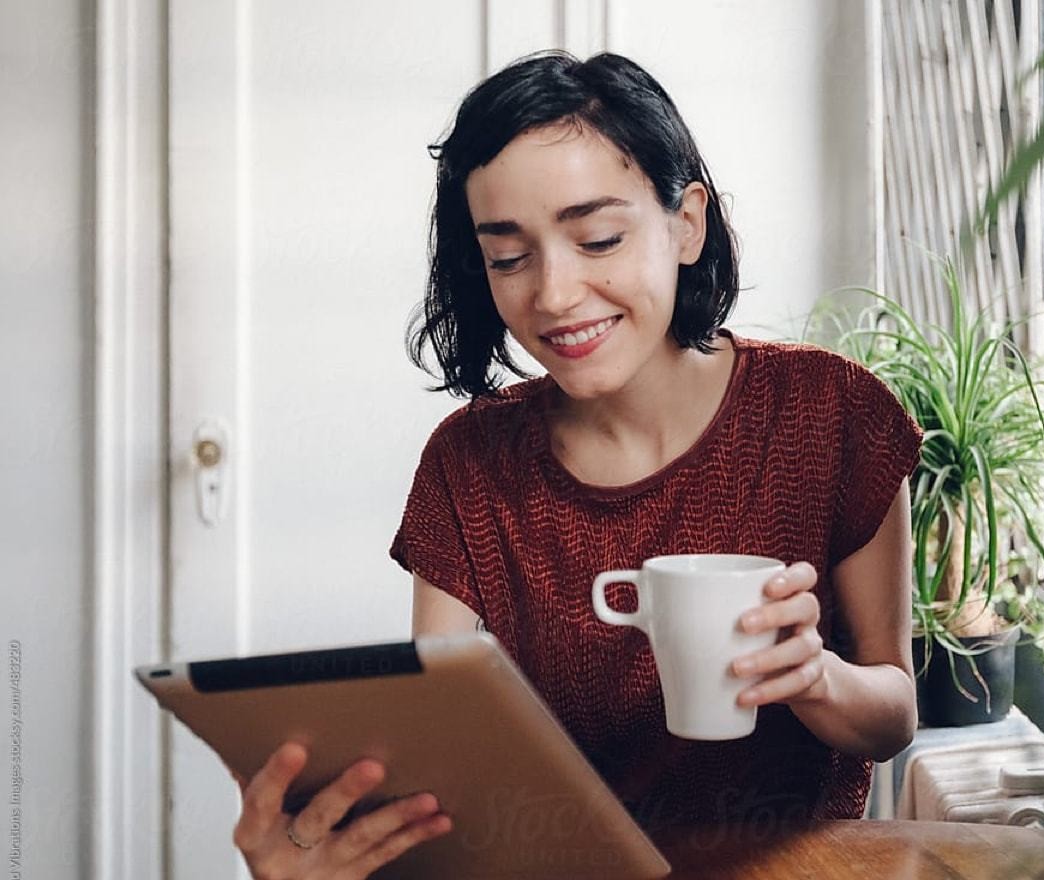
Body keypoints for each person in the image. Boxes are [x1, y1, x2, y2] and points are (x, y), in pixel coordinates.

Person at [228, 49, 922, 879]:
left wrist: (816, 677)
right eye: (510, 258)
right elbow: (440, 757)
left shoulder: (830, 413)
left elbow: (894, 714)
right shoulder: (471, 463)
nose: (553, 295)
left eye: (597, 238)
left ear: (686, 224)